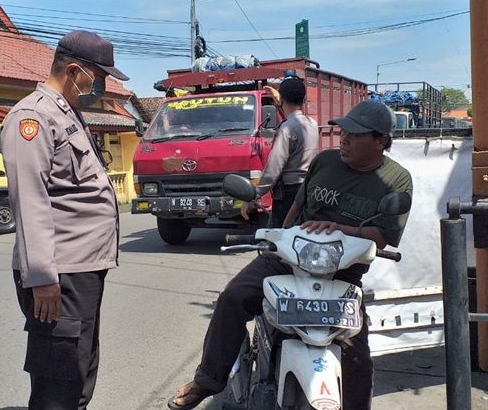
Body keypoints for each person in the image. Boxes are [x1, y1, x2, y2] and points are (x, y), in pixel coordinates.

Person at [168, 100, 413, 410]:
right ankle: (208, 380)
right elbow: (298, 205)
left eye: (355, 135)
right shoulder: (325, 162)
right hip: (289, 258)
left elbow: (384, 237)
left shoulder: (396, 180)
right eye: (344, 132)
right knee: (233, 297)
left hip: (342, 270)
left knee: (358, 358)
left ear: (380, 141)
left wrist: (339, 227)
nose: (345, 140)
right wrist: (280, 237)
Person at [0, 30, 127, 410]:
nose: (102, 86)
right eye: (98, 77)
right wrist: (41, 278)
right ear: (74, 71)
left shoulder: (66, 113)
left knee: (80, 370)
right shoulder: (33, 118)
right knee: (59, 380)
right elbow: (30, 201)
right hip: (58, 275)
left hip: (81, 270)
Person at [241, 77, 319, 228]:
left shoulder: (287, 128)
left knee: (280, 241)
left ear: (282, 99)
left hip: (288, 195)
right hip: (307, 190)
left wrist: (254, 195)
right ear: (303, 99)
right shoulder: (312, 124)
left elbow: (273, 170)